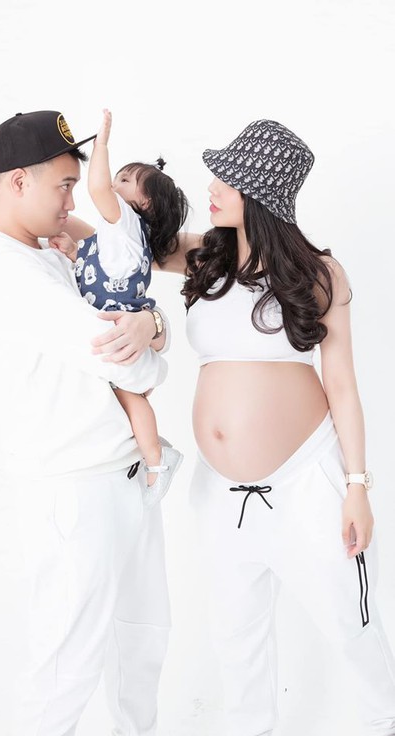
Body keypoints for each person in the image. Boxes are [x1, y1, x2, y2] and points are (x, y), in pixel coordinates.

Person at [159, 119, 395, 734]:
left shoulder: (319, 273)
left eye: (228, 179)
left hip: (305, 480)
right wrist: (36, 226)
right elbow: (119, 242)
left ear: (260, 192)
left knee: (349, 625)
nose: (212, 188)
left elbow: (342, 385)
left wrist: (357, 486)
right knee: (235, 637)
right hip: (219, 491)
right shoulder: (205, 257)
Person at [0, 109, 173, 736]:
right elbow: (125, 362)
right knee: (65, 668)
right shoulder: (5, 270)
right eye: (63, 186)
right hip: (76, 489)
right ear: (18, 182)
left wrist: (150, 325)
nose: (72, 202)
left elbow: (126, 320)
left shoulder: (44, 250)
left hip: (119, 477)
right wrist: (154, 346)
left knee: (141, 645)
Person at [50, 108, 188, 506]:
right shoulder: (116, 237)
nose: (113, 183)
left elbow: (97, 189)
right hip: (119, 330)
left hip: (120, 334)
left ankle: (157, 458)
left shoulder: (124, 223)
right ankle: (149, 453)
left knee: (130, 398)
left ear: (143, 203)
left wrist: (102, 145)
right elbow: (100, 267)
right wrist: (74, 252)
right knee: (124, 399)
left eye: (124, 181)